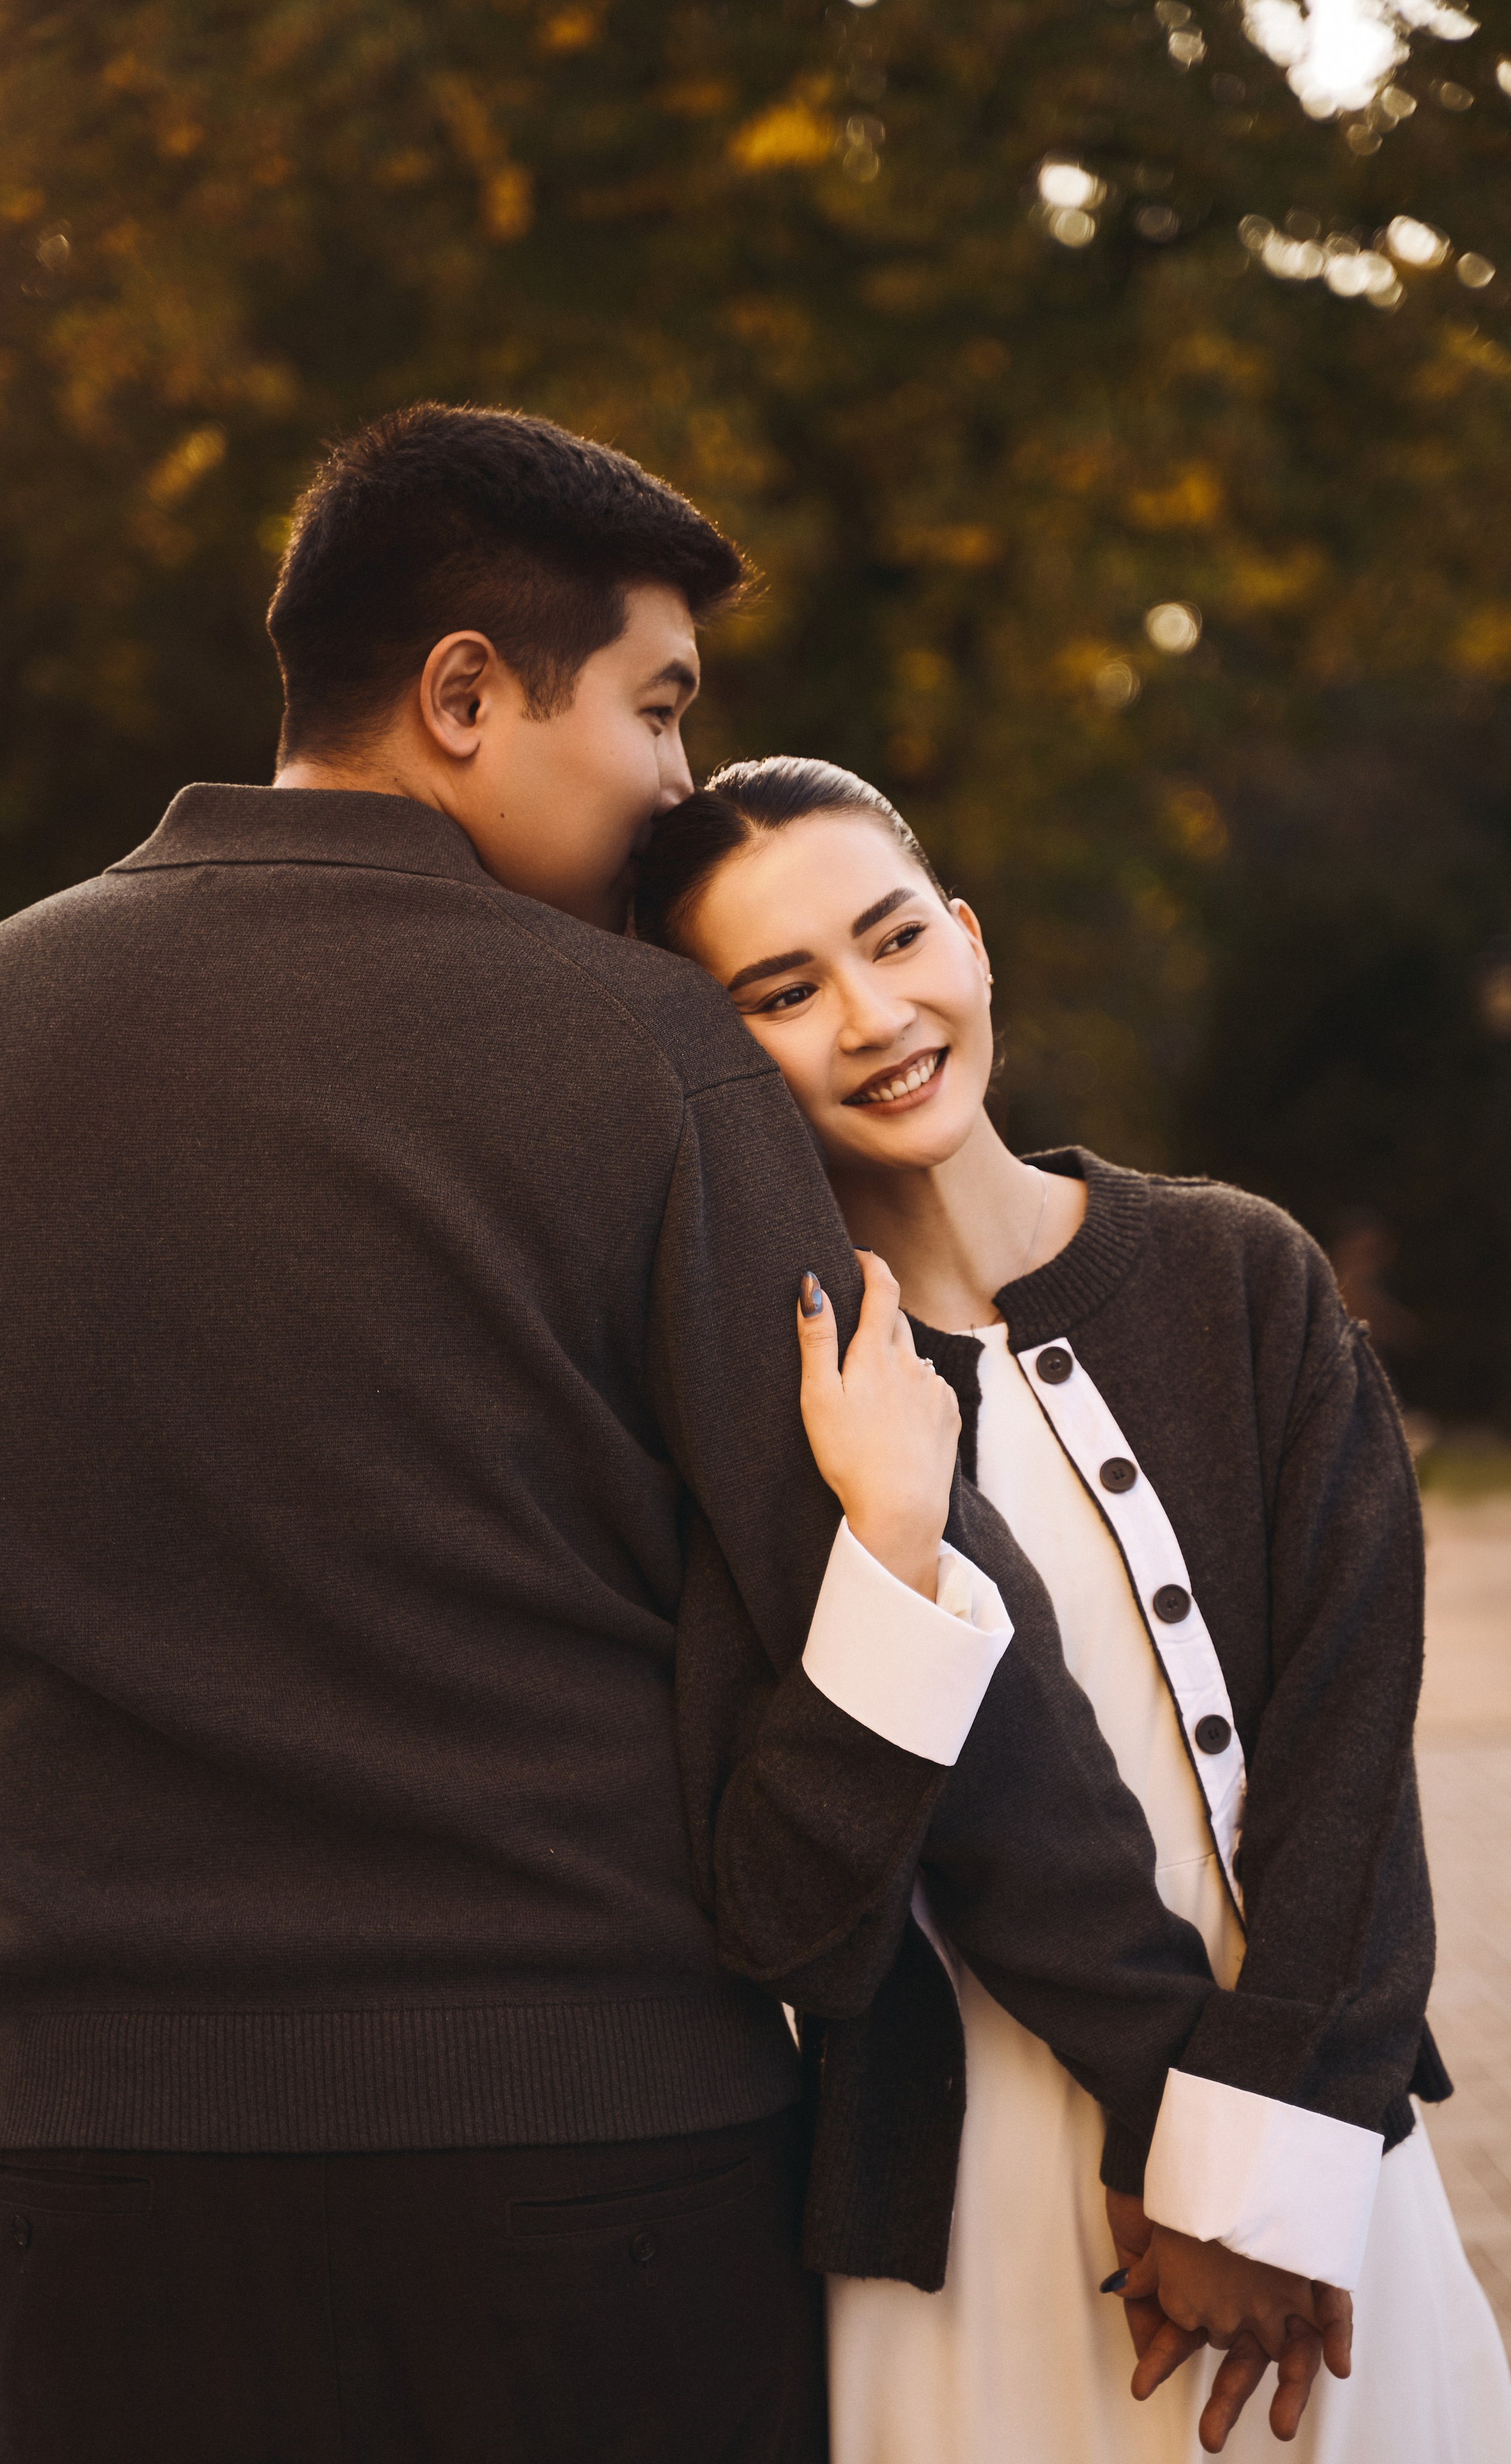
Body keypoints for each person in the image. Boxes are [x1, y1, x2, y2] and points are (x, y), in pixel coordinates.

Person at [0, 406, 1328, 2461]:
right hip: (595, 2173)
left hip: (80, 2175)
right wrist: (1188, 2113)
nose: (676, 782)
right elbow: (911, 1627)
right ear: (463, 694)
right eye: (657, 705)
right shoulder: (652, 1056)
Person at [633, 755, 1511, 2463]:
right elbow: (790, 1923)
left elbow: (1353, 1762)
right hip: (975, 2231)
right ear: (718, 1056)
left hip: (1317, 2152)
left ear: (969, 938)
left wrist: (1251, 2167)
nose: (875, 1015)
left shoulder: (1242, 1274)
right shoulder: (771, 1404)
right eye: (783, 991)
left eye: (897, 937)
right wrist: (891, 1543)